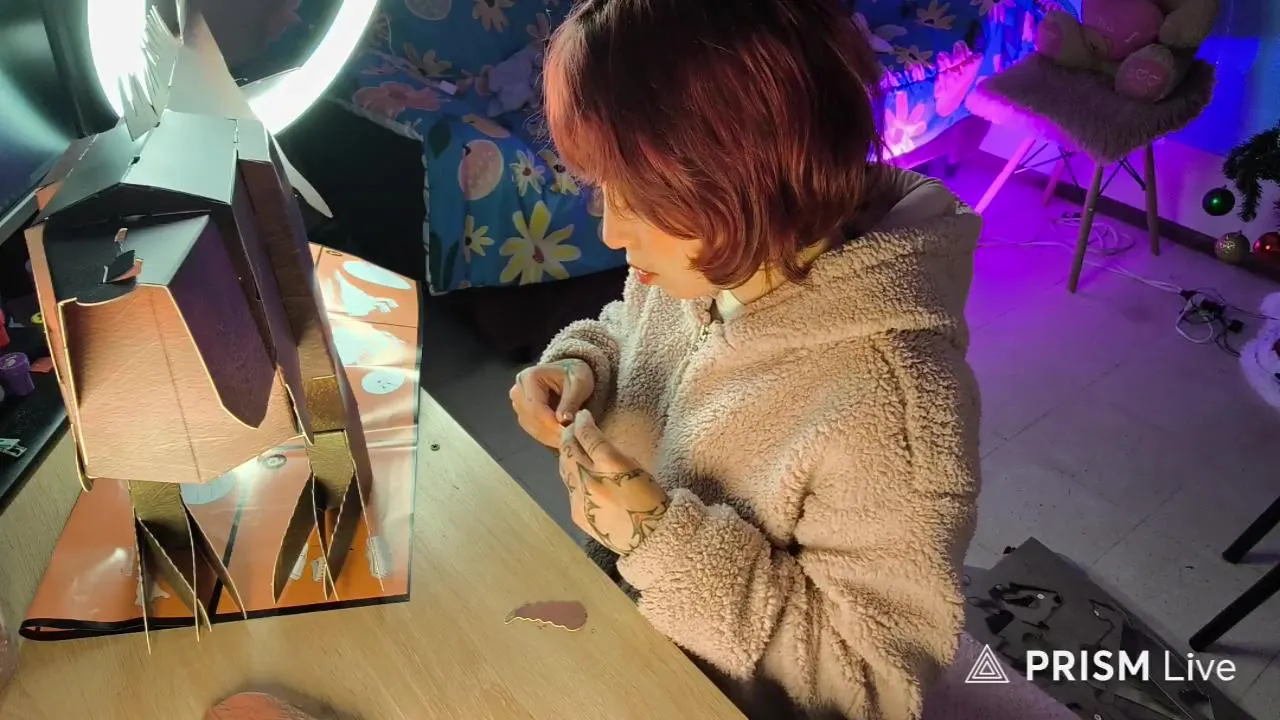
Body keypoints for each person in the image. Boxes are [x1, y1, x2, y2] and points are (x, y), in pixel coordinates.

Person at [508, 0, 983, 717]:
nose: (610, 233)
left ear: (752, 175)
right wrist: (583, 365)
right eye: (604, 189)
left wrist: (661, 540)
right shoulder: (703, 267)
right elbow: (628, 332)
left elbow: (875, 685)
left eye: (640, 198)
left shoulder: (894, 402)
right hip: (620, 643)